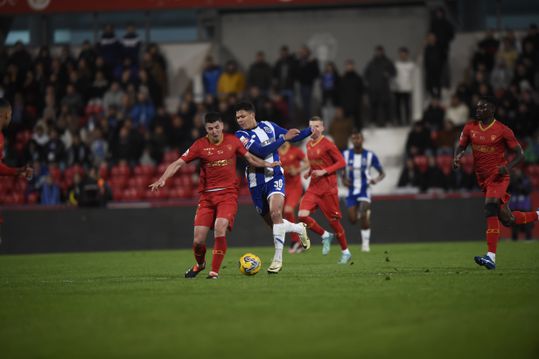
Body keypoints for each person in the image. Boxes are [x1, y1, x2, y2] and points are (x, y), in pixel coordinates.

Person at [149, 112, 279, 279]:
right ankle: (200, 265)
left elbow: (250, 158)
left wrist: (267, 164)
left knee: (220, 227)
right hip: (207, 198)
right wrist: (163, 179)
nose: (215, 131)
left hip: (228, 195)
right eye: (211, 128)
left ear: (222, 126)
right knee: (198, 241)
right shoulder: (200, 145)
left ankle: (214, 272)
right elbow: (178, 163)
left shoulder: (233, 141)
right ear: (206, 129)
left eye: (217, 127)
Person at [453, 98, 539, 270]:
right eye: (477, 107)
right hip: (482, 178)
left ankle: (490, 256)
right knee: (507, 219)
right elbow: (461, 146)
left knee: (490, 207)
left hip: (498, 176)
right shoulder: (470, 127)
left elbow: (520, 155)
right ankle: (538, 215)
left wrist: (507, 168)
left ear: (492, 109)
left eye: (482, 107)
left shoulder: (503, 130)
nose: (478, 110)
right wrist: (457, 156)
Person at [234, 101, 312, 273]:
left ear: (252, 115)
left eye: (242, 116)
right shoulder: (240, 135)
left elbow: (293, 136)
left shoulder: (269, 126)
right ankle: (299, 228)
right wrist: (282, 139)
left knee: (277, 213)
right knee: (273, 223)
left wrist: (311, 130)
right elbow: (260, 151)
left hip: (274, 175)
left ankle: (277, 260)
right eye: (237, 117)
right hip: (255, 181)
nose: (239, 120)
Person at [298, 117, 350, 263]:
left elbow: (341, 162)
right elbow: (315, 164)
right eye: (310, 126)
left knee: (334, 223)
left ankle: (345, 252)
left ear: (322, 128)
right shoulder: (308, 144)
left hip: (328, 189)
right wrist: (310, 171)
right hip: (314, 187)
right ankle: (325, 235)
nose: (313, 129)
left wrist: (324, 171)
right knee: (302, 215)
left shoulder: (328, 144)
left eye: (316, 126)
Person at [342, 130, 385, 252]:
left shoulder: (370, 155)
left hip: (365, 189)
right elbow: (341, 170)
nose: (356, 140)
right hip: (351, 191)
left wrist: (376, 180)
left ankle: (365, 245)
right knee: (352, 219)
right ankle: (363, 212)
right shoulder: (345, 154)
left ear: (362, 140)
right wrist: (344, 179)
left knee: (364, 215)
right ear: (351, 140)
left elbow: (382, 173)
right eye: (354, 138)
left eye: (358, 138)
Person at [278, 141, 308, 253]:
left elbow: (307, 163)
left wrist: (297, 170)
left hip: (295, 187)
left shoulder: (295, 151)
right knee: (279, 215)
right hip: (281, 187)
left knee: (288, 210)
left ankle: (296, 241)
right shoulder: (275, 152)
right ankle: (298, 236)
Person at [0, 99, 33, 178]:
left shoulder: (1, 137)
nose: (11, 118)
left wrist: (17, 171)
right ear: (6, 115)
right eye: (11, 114)